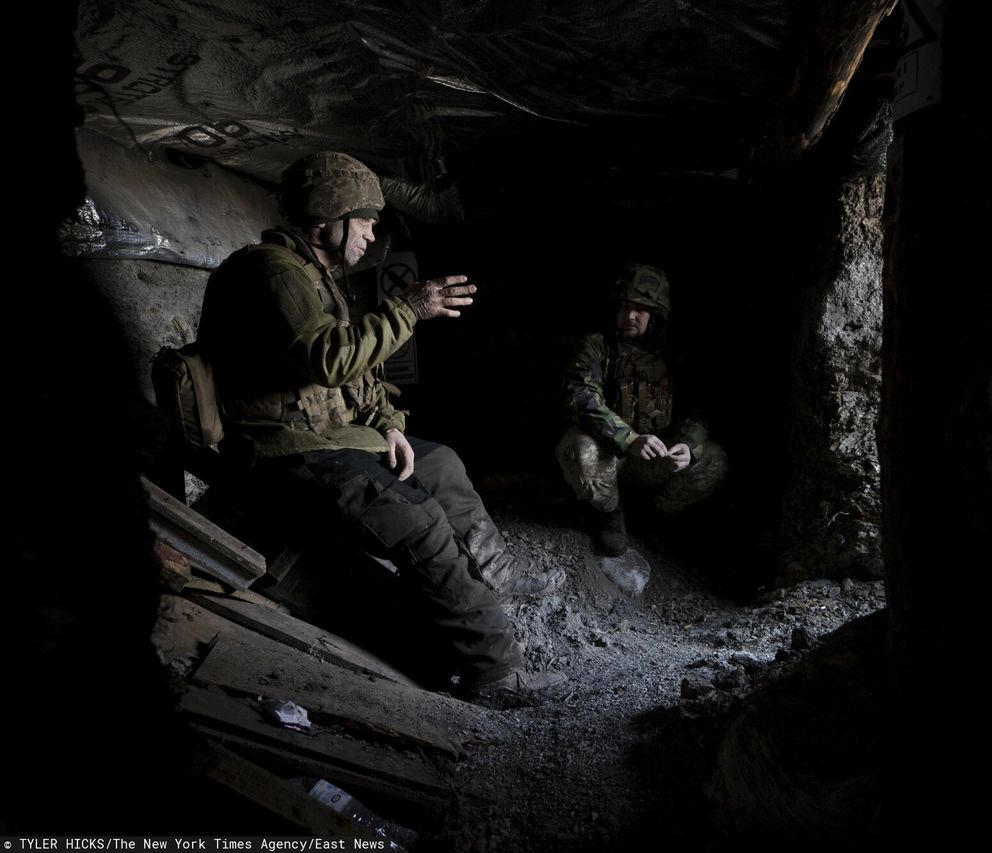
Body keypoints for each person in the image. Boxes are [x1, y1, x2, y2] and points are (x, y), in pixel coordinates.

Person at [197, 151, 564, 700]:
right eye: (364, 218)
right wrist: (410, 307)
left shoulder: (312, 274)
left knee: (439, 462)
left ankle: (494, 581)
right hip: (283, 450)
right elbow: (328, 359)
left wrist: (386, 423)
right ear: (327, 217)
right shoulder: (270, 272)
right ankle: (494, 672)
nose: (372, 231)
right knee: (418, 520)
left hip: (330, 435)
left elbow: (358, 375)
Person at [556, 263, 728, 555]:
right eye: (624, 307)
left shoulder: (675, 354)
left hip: (656, 455)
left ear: (657, 315)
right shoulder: (599, 346)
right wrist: (629, 439)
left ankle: (656, 516)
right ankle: (610, 512)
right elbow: (580, 396)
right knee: (578, 448)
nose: (629, 316)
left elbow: (699, 409)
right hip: (611, 454)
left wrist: (688, 445)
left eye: (640, 309)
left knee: (713, 460)